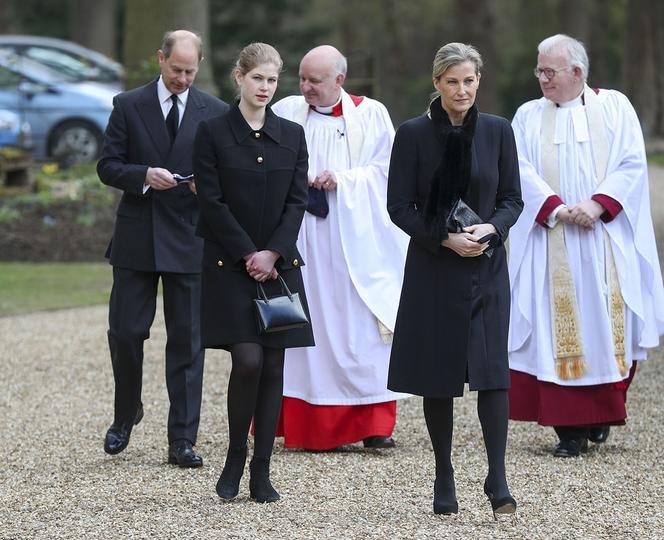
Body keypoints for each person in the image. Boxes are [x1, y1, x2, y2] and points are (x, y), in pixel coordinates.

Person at [508, 34, 664, 457]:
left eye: (549, 71)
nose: (542, 79)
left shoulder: (614, 106)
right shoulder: (527, 115)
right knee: (553, 332)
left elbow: (632, 162)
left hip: (603, 243)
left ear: (577, 72)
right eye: (538, 71)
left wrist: (597, 205)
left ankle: (600, 415)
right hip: (552, 239)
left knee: (607, 327)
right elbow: (518, 169)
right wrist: (557, 209)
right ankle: (568, 430)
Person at [387, 43, 523, 517]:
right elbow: (399, 207)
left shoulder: (498, 131)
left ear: (478, 81)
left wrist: (493, 227)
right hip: (434, 269)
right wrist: (444, 240)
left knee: (493, 374)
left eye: (468, 80)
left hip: (487, 268)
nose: (461, 89)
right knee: (438, 376)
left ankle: (498, 476)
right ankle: (444, 473)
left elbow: (512, 198)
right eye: (451, 81)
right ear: (437, 83)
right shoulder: (412, 135)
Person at [97, 30, 228, 467]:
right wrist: (143, 175)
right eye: (176, 70)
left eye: (191, 72)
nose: (183, 79)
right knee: (126, 332)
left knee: (188, 341)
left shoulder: (215, 111)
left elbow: (224, 174)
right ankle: (125, 413)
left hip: (190, 236)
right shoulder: (128, 105)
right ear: (160, 59)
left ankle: (182, 439)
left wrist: (201, 187)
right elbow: (108, 166)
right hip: (138, 233)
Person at [271, 45, 409, 451]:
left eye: (315, 81)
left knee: (360, 327)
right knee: (304, 326)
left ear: (339, 81)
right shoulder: (286, 111)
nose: (306, 87)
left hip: (355, 240)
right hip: (302, 239)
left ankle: (373, 423)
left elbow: (389, 170)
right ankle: (307, 423)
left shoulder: (371, 114)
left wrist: (345, 180)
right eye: (302, 78)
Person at [193, 42, 314, 503]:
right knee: (248, 360)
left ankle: (263, 471)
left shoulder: (292, 135)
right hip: (231, 267)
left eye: (271, 80)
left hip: (279, 267)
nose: (265, 87)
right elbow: (212, 201)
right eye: (257, 78)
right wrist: (250, 253)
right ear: (239, 77)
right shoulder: (212, 132)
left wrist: (274, 252)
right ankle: (235, 456)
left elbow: (297, 201)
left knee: (275, 365)